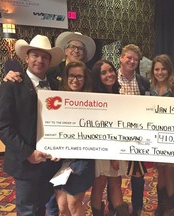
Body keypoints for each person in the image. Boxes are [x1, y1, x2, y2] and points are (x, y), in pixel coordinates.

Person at [0, 34, 64, 215]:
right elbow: (2, 126)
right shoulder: (11, 84)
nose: (40, 60)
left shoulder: (55, 87)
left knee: (46, 207)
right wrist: (28, 153)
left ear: (50, 61)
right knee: (28, 211)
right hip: (26, 162)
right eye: (35, 55)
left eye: (45, 57)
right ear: (27, 57)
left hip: (49, 161)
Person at [53, 61, 95, 216]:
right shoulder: (56, 98)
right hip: (58, 160)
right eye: (72, 76)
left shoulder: (92, 102)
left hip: (81, 160)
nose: (75, 80)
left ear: (85, 79)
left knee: (73, 204)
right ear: (66, 77)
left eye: (79, 76)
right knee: (62, 207)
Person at [90, 59, 130, 216]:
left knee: (115, 182)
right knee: (100, 184)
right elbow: (102, 128)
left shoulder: (116, 94)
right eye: (103, 72)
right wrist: (112, 155)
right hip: (103, 148)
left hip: (117, 146)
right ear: (97, 77)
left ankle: (120, 211)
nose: (109, 74)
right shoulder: (96, 97)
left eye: (111, 70)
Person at [149, 54, 174, 216]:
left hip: (172, 137)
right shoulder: (151, 88)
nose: (160, 72)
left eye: (163, 69)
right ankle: (161, 204)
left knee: (170, 171)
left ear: (169, 70)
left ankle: (169, 208)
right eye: (157, 69)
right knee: (160, 171)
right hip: (156, 137)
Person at [117, 44, 150, 216]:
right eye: (128, 57)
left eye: (135, 59)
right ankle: (115, 206)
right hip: (115, 135)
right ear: (121, 58)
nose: (132, 61)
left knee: (138, 176)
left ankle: (137, 208)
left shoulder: (143, 83)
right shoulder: (109, 78)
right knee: (113, 175)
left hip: (137, 136)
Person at [3, 31, 96, 89]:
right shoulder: (50, 70)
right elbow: (31, 75)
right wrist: (14, 75)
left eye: (80, 48)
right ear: (65, 51)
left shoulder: (90, 74)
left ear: (84, 53)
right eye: (72, 47)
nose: (76, 51)